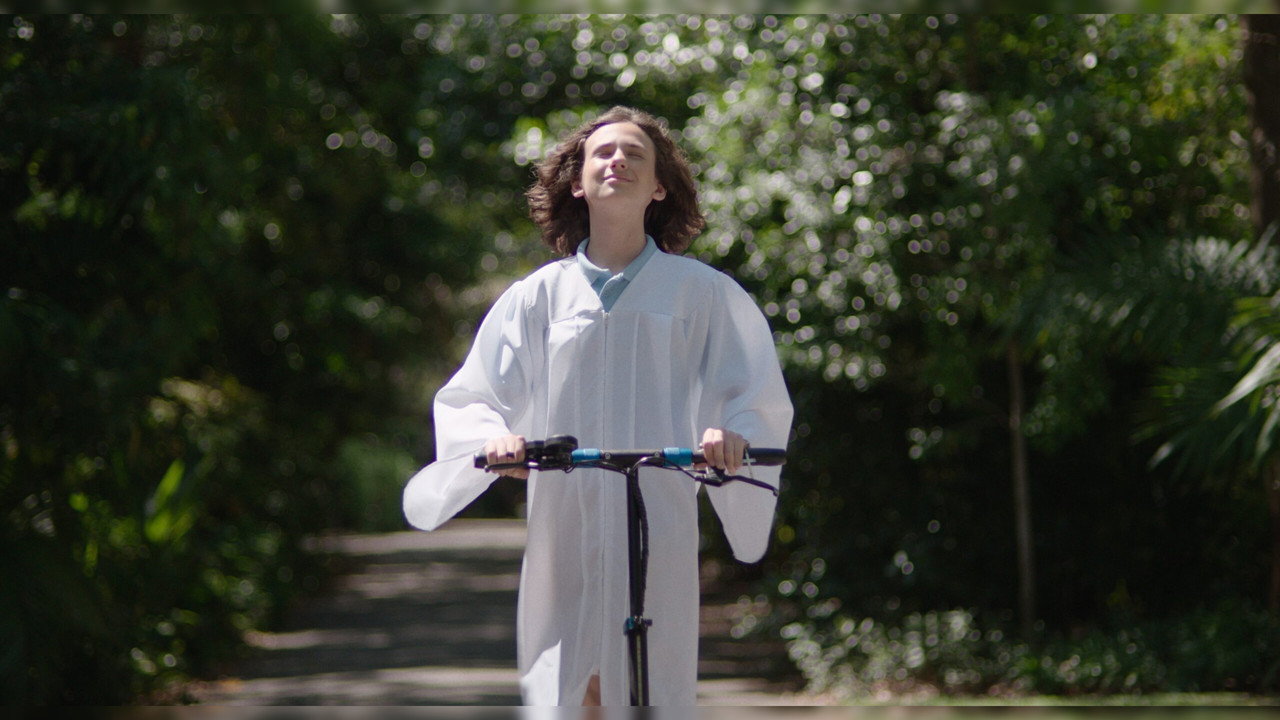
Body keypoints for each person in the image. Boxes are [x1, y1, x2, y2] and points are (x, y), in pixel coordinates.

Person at [402, 106, 793, 706]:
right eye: (602, 152)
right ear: (578, 183)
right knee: (569, 678)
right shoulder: (538, 297)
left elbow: (751, 389)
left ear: (659, 186)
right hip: (565, 513)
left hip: (657, 510)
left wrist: (732, 435)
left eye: (636, 153)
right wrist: (492, 441)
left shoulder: (703, 293)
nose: (618, 161)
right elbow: (476, 394)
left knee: (647, 679)